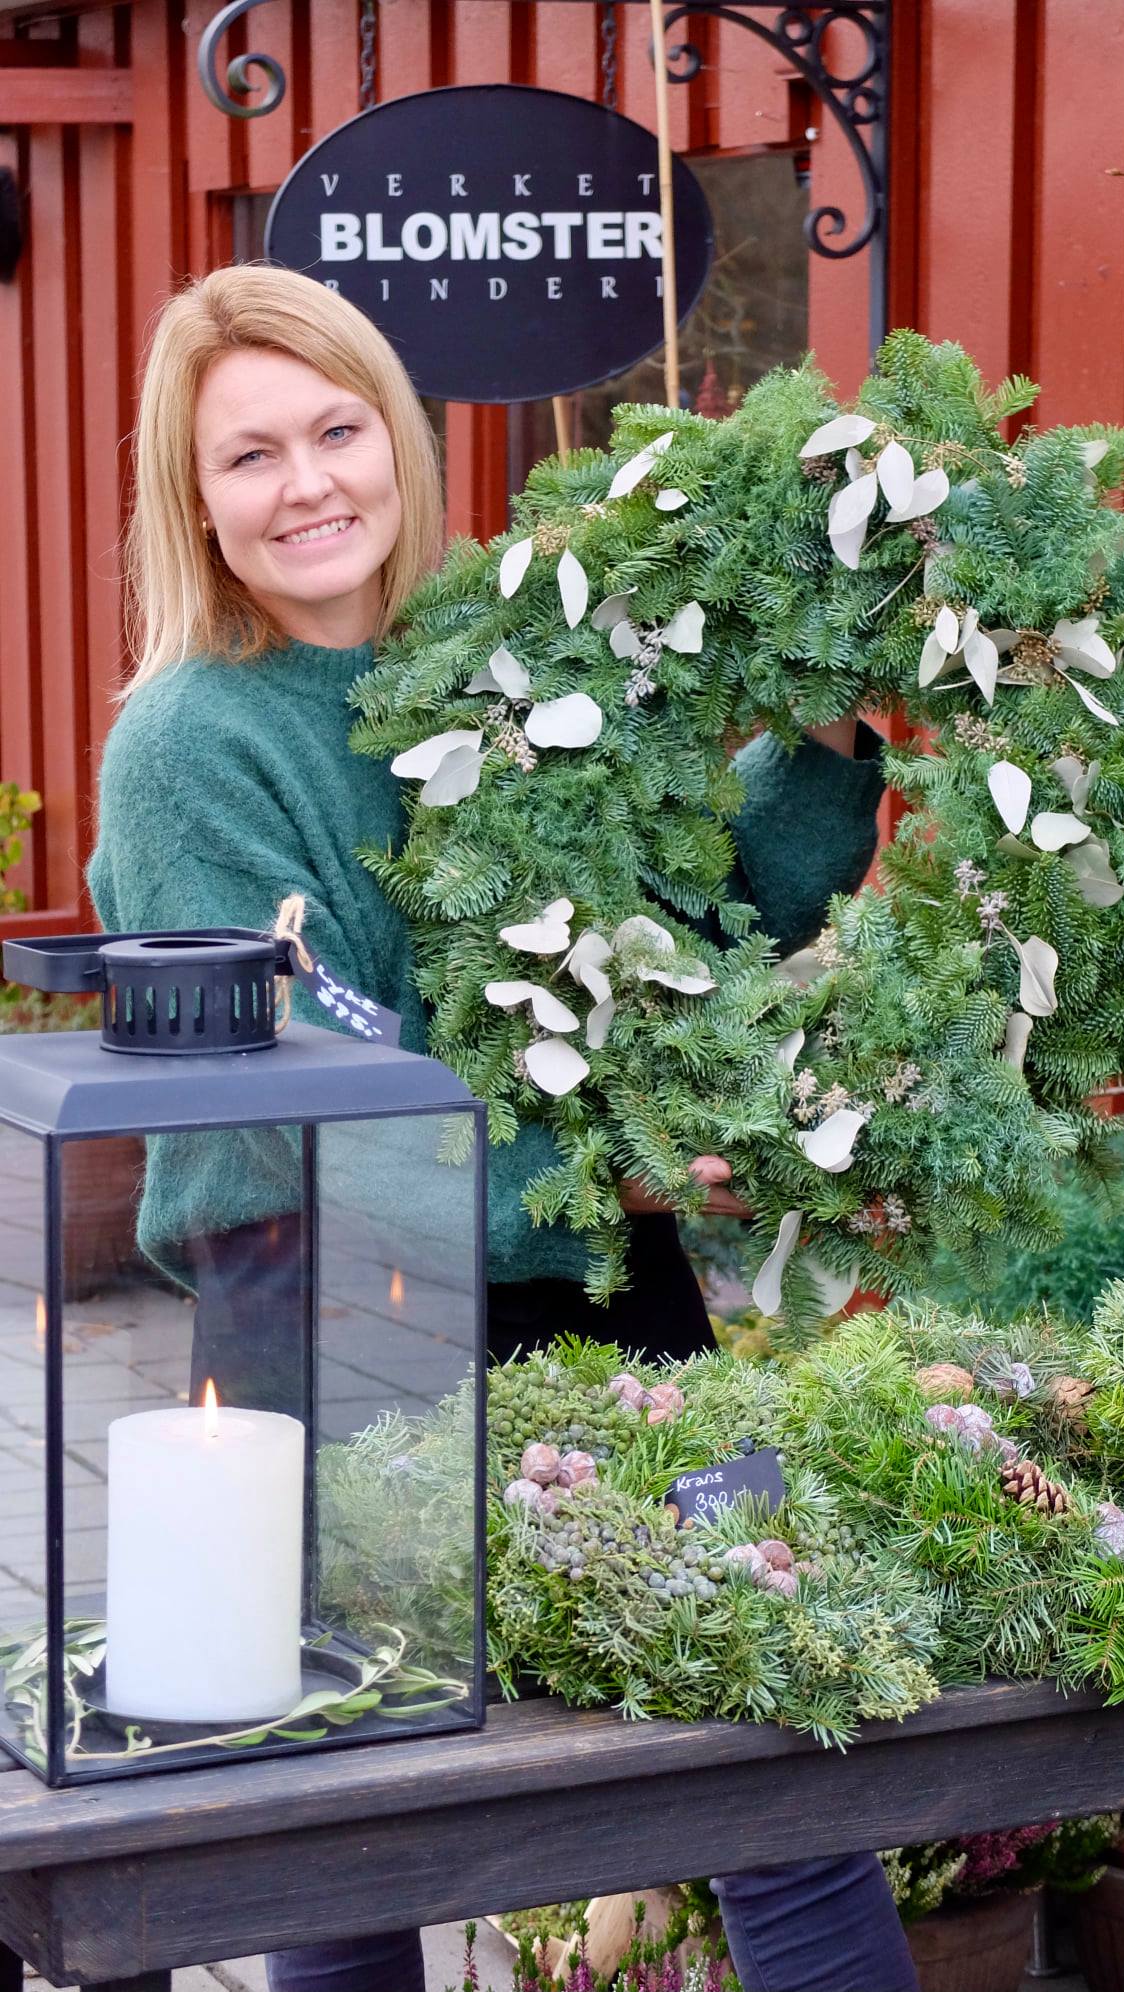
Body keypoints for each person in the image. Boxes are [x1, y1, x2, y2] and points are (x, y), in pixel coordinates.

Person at [89, 263, 919, 1992]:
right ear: (195, 500)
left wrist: (825, 737)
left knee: (779, 1777)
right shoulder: (189, 743)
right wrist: (596, 1162)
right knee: (351, 1833)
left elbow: (695, 934)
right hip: (320, 1332)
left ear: (398, 440)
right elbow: (283, 1111)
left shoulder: (519, 659)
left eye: (336, 429)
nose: (308, 481)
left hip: (616, 1312)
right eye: (251, 456)